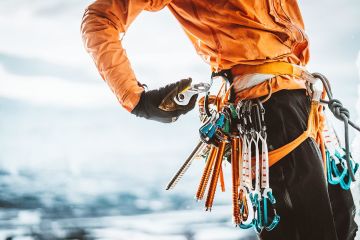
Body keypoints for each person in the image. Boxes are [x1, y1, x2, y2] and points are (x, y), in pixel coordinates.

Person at [80, 1, 358, 239]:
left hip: (303, 99)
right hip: (269, 110)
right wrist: (137, 99)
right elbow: (100, 18)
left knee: (342, 223)